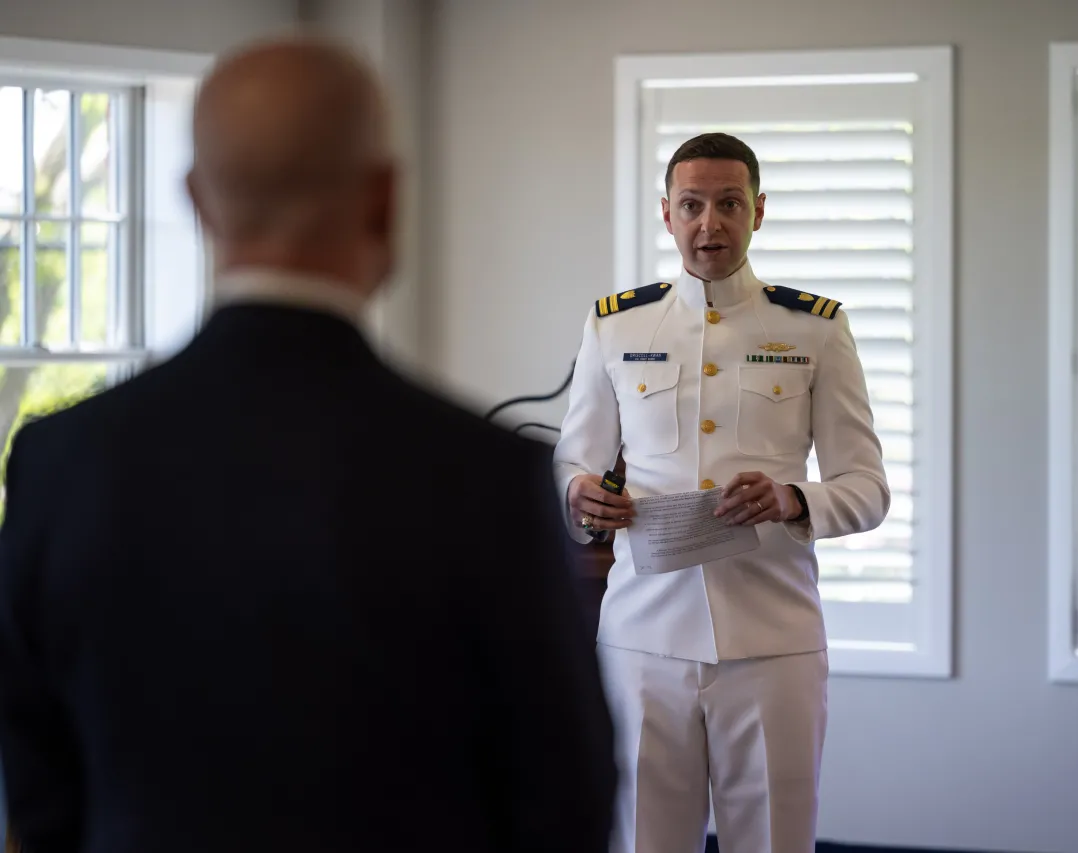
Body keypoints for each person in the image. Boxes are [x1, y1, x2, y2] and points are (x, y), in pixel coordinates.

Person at [0, 36, 615, 853]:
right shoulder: (484, 476)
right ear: (384, 201)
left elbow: (40, 804)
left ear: (196, 200)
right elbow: (564, 801)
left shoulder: (55, 463)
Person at [553, 132, 890, 853]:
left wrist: (793, 499)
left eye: (729, 204)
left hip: (773, 640)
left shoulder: (814, 329)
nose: (711, 223)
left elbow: (867, 489)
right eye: (693, 205)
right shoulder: (616, 323)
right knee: (643, 839)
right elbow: (570, 465)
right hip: (644, 640)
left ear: (758, 211)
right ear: (667, 214)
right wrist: (582, 494)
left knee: (771, 841)